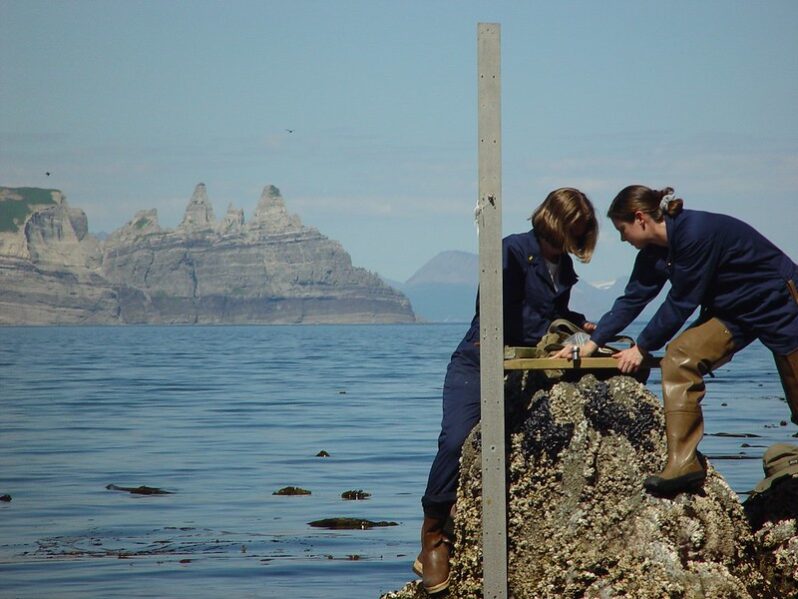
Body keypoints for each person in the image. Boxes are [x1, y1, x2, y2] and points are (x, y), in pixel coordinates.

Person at [555, 185, 798, 495]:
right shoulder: (653, 253)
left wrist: (641, 348)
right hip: (732, 312)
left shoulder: (696, 233)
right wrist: (591, 343)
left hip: (779, 302)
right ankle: (683, 463)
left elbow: (682, 301)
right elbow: (632, 299)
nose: (621, 238)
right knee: (680, 356)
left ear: (640, 218)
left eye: (622, 229)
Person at [416, 188, 598, 593]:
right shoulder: (511, 252)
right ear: (558, 222)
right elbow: (496, 312)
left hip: (525, 365)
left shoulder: (563, 265)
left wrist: (576, 324)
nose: (580, 237)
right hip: (478, 362)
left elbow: (547, 313)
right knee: (455, 441)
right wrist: (553, 336)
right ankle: (432, 534)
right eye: (576, 228)